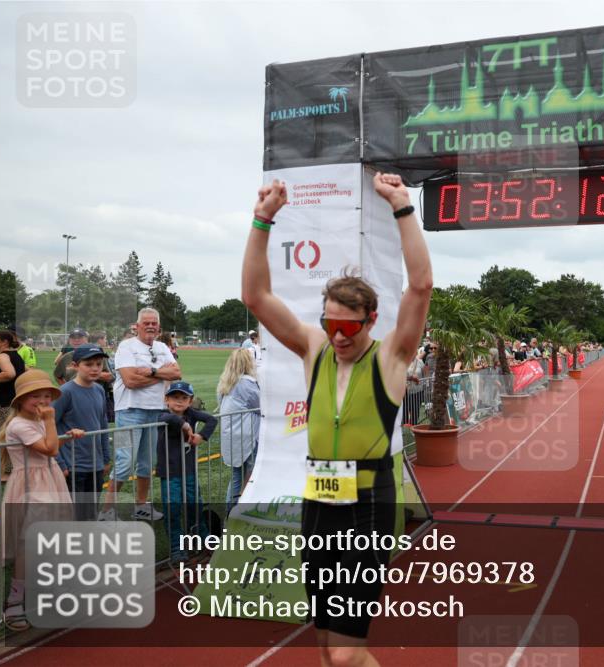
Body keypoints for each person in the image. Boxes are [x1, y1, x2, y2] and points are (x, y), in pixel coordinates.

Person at [242, 172, 431, 665]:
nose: (339, 335)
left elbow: (421, 285)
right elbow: (256, 298)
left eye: (348, 326)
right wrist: (262, 220)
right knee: (326, 641)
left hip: (368, 508)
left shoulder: (391, 358)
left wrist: (402, 207)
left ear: (370, 320)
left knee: (348, 654)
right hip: (319, 504)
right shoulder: (314, 348)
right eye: (330, 324)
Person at [0, 369, 81, 631]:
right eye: (35, 396)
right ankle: (16, 599)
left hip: (49, 481)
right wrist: (52, 423)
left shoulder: (40, 419)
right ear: (19, 401)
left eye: (46, 396)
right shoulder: (19, 424)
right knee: (28, 543)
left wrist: (67, 434)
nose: (42, 401)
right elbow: (49, 448)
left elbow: (52, 446)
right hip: (30, 487)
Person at [100, 308, 183, 521]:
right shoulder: (126, 347)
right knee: (124, 461)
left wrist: (152, 372)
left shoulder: (162, 346)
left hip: (155, 410)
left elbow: (176, 373)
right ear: (136, 326)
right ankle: (107, 511)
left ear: (159, 327)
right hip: (129, 410)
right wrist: (160, 374)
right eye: (146, 322)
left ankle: (141, 506)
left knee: (147, 462)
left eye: (154, 323)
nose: (150, 326)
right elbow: (130, 381)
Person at [157, 381, 217, 561]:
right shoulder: (162, 414)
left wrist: (201, 435)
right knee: (173, 509)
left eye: (184, 398)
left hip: (189, 470)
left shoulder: (191, 413)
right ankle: (177, 547)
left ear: (190, 401)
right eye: (175, 397)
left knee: (195, 504)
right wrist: (183, 424)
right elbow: (166, 419)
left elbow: (212, 420)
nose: (179, 401)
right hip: (169, 472)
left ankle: (201, 536)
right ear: (166, 399)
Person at [53, 344, 112, 520]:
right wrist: (59, 463)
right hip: (73, 467)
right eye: (88, 364)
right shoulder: (65, 392)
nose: (95, 369)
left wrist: (105, 459)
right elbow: (48, 427)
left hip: (95, 464)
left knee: (90, 512)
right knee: (73, 515)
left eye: (98, 364)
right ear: (75, 365)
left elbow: (102, 425)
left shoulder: (99, 390)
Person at [216, 349, 260, 516]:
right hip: (248, 435)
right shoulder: (247, 384)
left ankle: (230, 513)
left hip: (231, 435)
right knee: (253, 475)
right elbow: (261, 405)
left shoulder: (224, 382)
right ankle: (246, 513)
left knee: (236, 477)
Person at [0, 330, 27, 483]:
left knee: (2, 437)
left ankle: (5, 473)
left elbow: (9, 373)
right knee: (12, 436)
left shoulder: (3, 356)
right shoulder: (15, 355)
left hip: (1, 405)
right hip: (11, 402)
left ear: (4, 342)